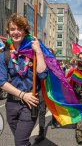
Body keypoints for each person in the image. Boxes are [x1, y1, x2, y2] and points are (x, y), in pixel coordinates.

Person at [0, 14, 48, 146]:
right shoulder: (4, 54)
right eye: (12, 29)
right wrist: (22, 95)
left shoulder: (32, 50)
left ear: (25, 31)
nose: (16, 32)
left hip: (30, 104)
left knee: (20, 142)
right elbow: (2, 82)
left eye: (19, 28)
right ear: (9, 32)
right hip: (11, 104)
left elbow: (43, 75)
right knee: (21, 140)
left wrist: (38, 52)